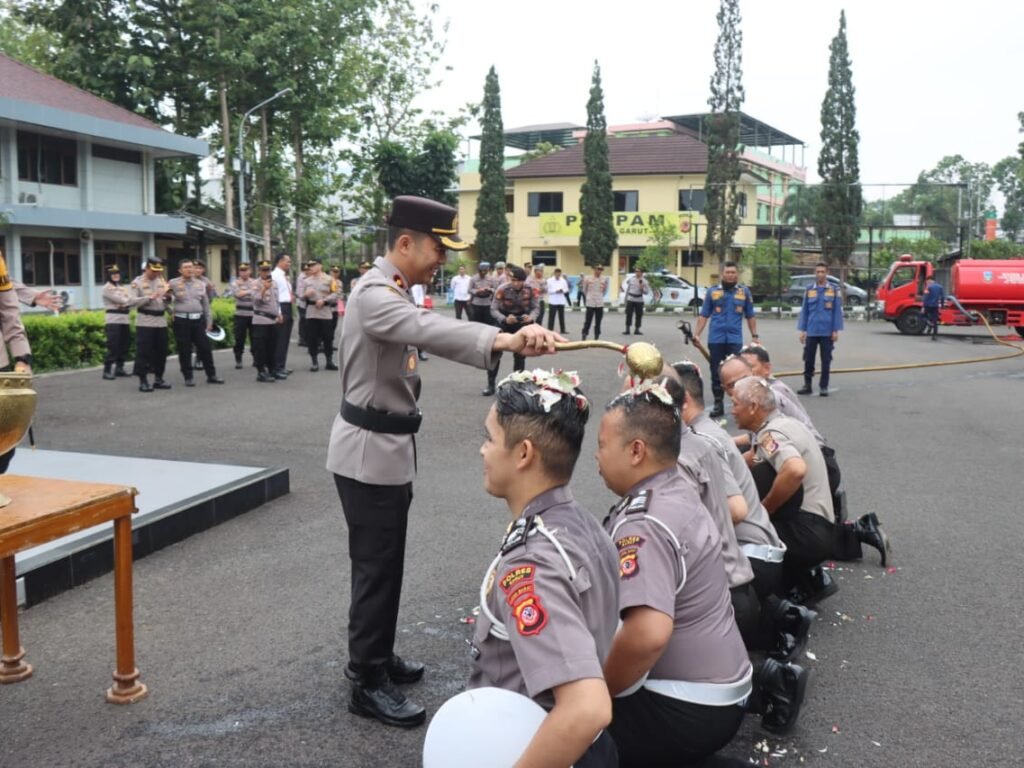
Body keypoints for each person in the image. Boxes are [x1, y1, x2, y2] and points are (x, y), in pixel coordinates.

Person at [327, 195, 563, 728]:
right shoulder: (373, 295)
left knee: (387, 562)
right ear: (405, 243)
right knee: (375, 567)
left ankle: (377, 654)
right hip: (368, 453)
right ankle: (365, 680)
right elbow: (431, 331)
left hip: (386, 449)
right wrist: (504, 337)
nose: (443, 260)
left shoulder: (394, 291)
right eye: (438, 248)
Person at [597, 378, 760, 765]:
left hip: (689, 706)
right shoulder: (674, 488)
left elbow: (647, 636)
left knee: (571, 726)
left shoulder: (646, 522)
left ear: (636, 450)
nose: (597, 457)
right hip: (725, 685)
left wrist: (596, 693)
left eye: (602, 446)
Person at [468, 369, 619, 767]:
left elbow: (586, 708)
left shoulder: (531, 561)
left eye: (489, 438)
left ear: (523, 454)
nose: (483, 451)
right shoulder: (582, 522)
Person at [672, 361, 815, 667]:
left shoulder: (700, 440)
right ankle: (781, 619)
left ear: (681, 400)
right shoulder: (707, 432)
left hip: (754, 555)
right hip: (761, 551)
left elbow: (735, 510)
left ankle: (768, 671)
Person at [730, 376, 836, 598]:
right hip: (819, 527)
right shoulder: (785, 424)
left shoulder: (772, 434)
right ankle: (806, 580)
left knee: (740, 534)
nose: (732, 410)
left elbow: (795, 469)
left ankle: (775, 605)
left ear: (753, 407)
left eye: (735, 404)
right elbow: (748, 459)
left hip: (806, 531)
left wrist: (765, 511)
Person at [694, 261, 758, 418]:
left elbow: (750, 316)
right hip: (716, 339)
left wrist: (755, 336)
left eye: (733, 272)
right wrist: (697, 334)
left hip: (734, 339)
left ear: (737, 274)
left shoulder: (744, 292)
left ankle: (739, 403)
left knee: (736, 372)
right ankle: (718, 403)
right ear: (722, 274)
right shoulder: (712, 292)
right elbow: (704, 315)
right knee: (716, 372)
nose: (731, 275)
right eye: (728, 272)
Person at [167, 259, 224, 386]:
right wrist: (171, 312)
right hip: (182, 321)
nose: (189, 269)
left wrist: (209, 321)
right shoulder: (173, 283)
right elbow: (165, 300)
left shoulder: (200, 284)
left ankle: (211, 375)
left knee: (205, 348)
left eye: (191, 267)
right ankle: (188, 377)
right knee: (184, 349)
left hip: (198, 320)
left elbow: (205, 304)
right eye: (186, 267)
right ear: (180, 270)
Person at [797, 262, 843, 396]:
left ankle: (824, 386)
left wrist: (835, 330)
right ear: (815, 273)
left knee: (826, 360)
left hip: (827, 331)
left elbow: (836, 312)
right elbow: (805, 310)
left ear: (827, 272)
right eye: (818, 272)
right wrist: (802, 330)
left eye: (823, 271)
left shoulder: (834, 289)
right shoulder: (810, 289)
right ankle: (807, 385)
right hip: (811, 330)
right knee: (808, 359)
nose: (820, 274)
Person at [489, 265, 539, 386]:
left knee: (520, 354)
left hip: (522, 321)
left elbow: (536, 308)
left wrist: (531, 318)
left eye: (518, 281)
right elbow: (493, 309)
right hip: (505, 319)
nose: (515, 283)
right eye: (513, 280)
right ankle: (490, 384)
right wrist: (505, 319)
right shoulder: (502, 289)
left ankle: (518, 384)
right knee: (495, 352)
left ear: (523, 280)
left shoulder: (531, 289)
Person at [129, 258, 173, 393]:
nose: (156, 273)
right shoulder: (137, 283)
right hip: (145, 321)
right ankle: (143, 381)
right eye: (153, 270)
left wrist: (169, 299)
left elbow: (169, 299)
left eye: (158, 271)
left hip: (161, 321)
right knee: (144, 352)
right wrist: (148, 298)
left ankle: (159, 379)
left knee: (161, 351)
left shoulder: (161, 281)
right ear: (147, 268)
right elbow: (131, 301)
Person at [100, 265, 138, 380]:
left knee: (124, 345)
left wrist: (126, 303)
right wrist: (127, 302)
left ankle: (119, 369)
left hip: (124, 319)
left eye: (117, 273)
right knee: (113, 345)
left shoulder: (122, 288)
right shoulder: (107, 288)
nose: (116, 275)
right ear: (108, 275)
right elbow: (123, 300)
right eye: (113, 274)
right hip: (113, 320)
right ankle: (107, 371)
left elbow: (130, 302)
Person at [302, 259, 340, 372]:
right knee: (312, 338)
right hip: (311, 312)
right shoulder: (306, 281)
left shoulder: (329, 279)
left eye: (313, 265)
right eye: (309, 265)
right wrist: (305, 295)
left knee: (327, 337)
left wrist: (324, 300)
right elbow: (299, 296)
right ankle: (314, 361)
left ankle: (329, 361)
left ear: (320, 266)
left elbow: (336, 294)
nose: (310, 267)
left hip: (325, 312)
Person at [252, 261, 282, 382]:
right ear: (259, 271)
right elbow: (256, 300)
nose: (266, 272)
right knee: (261, 348)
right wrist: (264, 288)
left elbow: (276, 300)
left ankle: (273, 370)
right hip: (261, 320)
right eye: (263, 270)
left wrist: (278, 312)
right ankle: (261, 372)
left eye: (268, 270)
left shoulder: (274, 283)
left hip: (272, 320)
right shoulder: (255, 284)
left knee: (272, 347)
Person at [226, 263, 258, 370]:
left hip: (253, 314)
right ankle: (238, 359)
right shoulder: (235, 283)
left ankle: (256, 358)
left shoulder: (255, 282)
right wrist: (250, 291)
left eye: (246, 270)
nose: (243, 272)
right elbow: (238, 294)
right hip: (240, 314)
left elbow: (257, 295)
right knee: (239, 338)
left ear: (250, 271)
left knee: (255, 338)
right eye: (241, 270)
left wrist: (245, 292)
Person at [271, 252, 294, 378]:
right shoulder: (274, 276)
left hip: (287, 307)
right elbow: (275, 296)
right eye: (288, 261)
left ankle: (281, 365)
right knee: (279, 340)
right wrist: (278, 312)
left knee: (284, 339)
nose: (289, 264)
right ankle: (276, 367)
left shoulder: (284, 276)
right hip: (281, 307)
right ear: (280, 261)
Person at [580, 265, 609, 341]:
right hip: (590, 302)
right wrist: (589, 297)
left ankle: (596, 335)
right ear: (594, 269)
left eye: (600, 269)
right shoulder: (587, 278)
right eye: (598, 269)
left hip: (599, 302)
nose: (599, 271)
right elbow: (584, 289)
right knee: (588, 320)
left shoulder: (604, 279)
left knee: (598, 321)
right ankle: (584, 334)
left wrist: (600, 296)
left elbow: (605, 290)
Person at [623, 267, 647, 335]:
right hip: (631, 298)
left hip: (639, 299)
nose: (637, 273)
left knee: (639, 315)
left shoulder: (644, 281)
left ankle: (637, 329)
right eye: (636, 271)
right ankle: (627, 329)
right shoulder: (631, 279)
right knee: (628, 314)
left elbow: (646, 292)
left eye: (638, 271)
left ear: (642, 273)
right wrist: (626, 299)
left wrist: (642, 288)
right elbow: (628, 290)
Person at [546, 267, 569, 333]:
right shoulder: (549, 280)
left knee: (561, 316)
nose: (558, 274)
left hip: (561, 300)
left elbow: (566, 289)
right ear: (554, 273)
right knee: (551, 316)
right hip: (553, 301)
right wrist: (555, 291)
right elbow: (548, 290)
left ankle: (563, 330)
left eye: (559, 272)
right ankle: (550, 330)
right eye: (557, 272)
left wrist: (562, 290)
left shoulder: (563, 280)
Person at [921, 274, 945, 340]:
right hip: (935, 306)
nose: (927, 282)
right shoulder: (940, 287)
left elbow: (925, 297)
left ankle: (929, 323)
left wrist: (923, 307)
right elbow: (942, 297)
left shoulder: (928, 287)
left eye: (927, 281)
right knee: (935, 321)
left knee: (922, 316)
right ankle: (935, 336)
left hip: (928, 305)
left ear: (930, 280)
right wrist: (942, 306)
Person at [295, 260, 312, 349]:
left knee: (306, 321)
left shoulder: (308, 277)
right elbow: (300, 291)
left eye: (308, 269)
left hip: (306, 302)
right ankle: (302, 338)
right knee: (303, 320)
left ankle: (306, 338)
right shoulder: (302, 277)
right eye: (306, 270)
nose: (307, 271)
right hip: (302, 302)